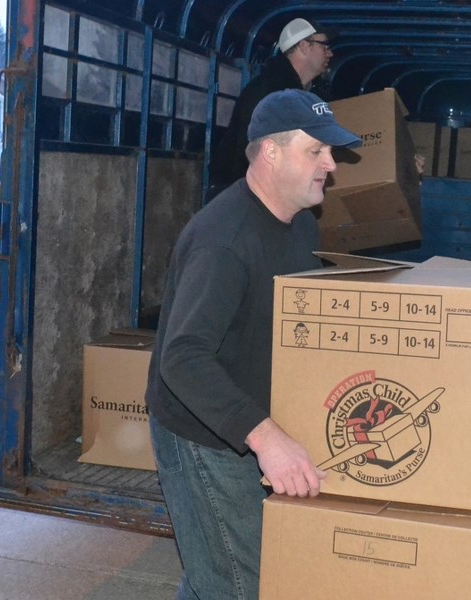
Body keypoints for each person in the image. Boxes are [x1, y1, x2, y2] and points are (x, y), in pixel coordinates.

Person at [145, 89, 361, 599]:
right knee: (243, 581)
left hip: (248, 422)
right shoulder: (224, 242)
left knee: (216, 565)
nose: (331, 165)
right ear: (270, 152)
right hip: (203, 435)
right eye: (316, 151)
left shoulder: (301, 224)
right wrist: (268, 438)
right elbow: (183, 358)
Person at [208, 18, 335, 195]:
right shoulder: (270, 92)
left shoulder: (305, 94)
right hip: (246, 194)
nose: (330, 54)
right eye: (324, 46)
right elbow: (250, 150)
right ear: (304, 46)